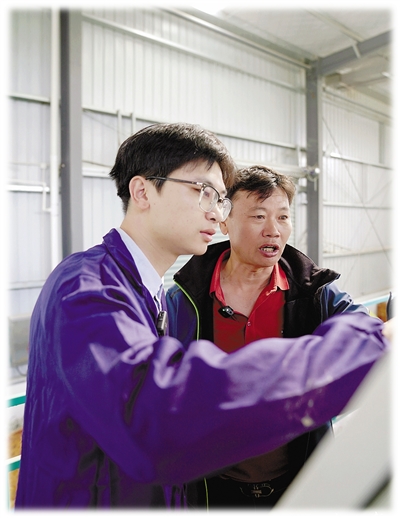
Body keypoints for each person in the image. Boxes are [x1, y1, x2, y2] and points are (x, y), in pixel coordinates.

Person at [15, 124, 390, 509]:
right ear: (142, 191)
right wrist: (360, 348)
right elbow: (157, 418)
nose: (214, 211)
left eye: (220, 199)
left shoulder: (146, 292)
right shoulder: (88, 288)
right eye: (202, 191)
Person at [166, 164, 390, 509]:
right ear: (224, 220)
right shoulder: (184, 300)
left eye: (283, 217)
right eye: (258, 216)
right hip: (211, 490)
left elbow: (369, 339)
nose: (273, 230)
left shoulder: (317, 294)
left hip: (300, 485)